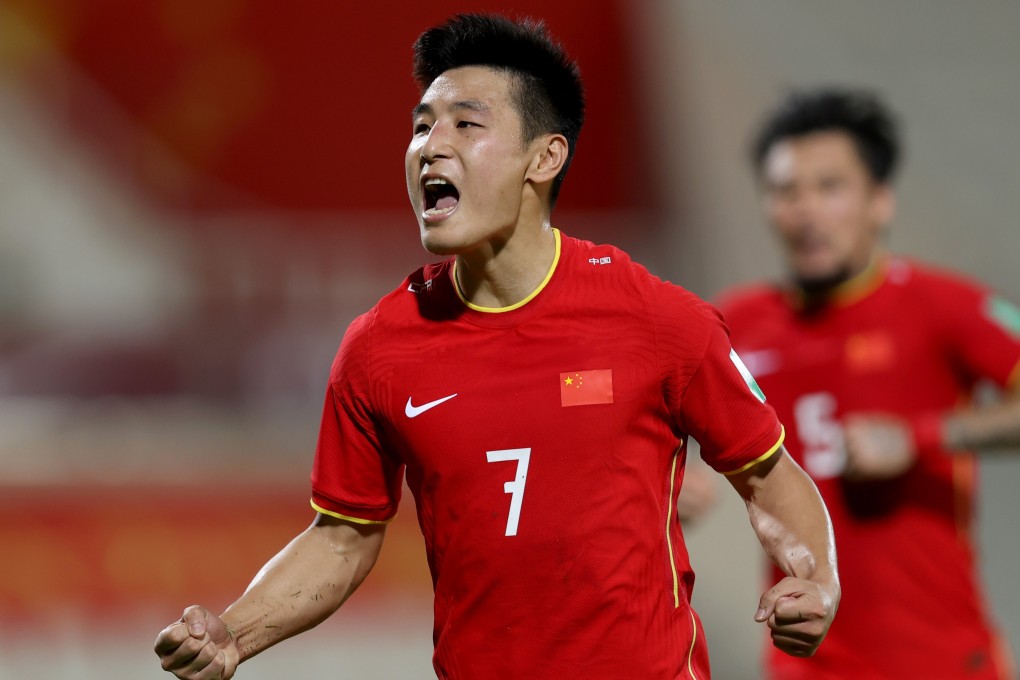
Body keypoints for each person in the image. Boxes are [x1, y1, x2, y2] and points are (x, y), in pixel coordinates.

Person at [154, 14, 839, 679]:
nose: (431, 144)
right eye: (421, 125)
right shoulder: (379, 350)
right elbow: (341, 538)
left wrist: (815, 579)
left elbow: (768, 474)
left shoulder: (659, 321)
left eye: (465, 123)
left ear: (545, 158)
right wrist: (234, 634)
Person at [717, 87, 1020, 680]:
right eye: (785, 191)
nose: (805, 210)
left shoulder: (943, 305)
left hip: (940, 659)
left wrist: (925, 435)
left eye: (830, 187)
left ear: (880, 201)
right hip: (805, 665)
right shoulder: (733, 324)